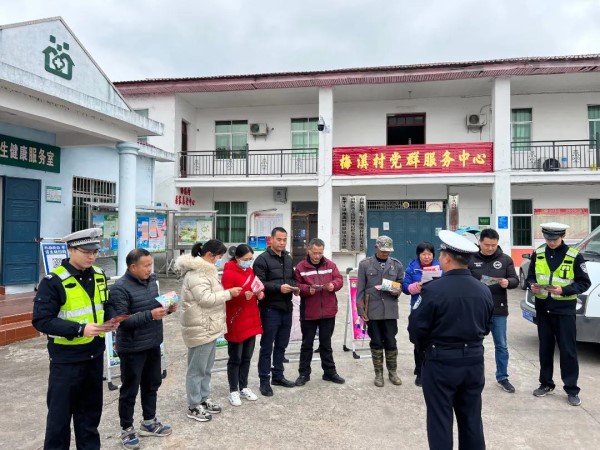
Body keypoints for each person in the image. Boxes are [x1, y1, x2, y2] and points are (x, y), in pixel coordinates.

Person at [32, 228, 117, 450]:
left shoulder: (98, 274)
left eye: (94, 252)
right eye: (86, 251)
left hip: (94, 356)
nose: (92, 256)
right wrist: (79, 329)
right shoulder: (53, 281)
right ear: (70, 250)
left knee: (90, 417)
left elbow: (106, 303)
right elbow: (42, 320)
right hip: (66, 361)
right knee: (59, 421)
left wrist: (112, 318)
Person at [408, 230, 494, 450]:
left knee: (440, 420)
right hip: (474, 361)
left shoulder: (433, 290)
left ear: (446, 258)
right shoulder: (484, 290)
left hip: (441, 362)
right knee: (472, 419)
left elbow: (415, 330)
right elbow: (486, 327)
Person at [106, 249, 175, 449]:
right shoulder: (120, 288)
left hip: (152, 342)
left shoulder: (151, 281)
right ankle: (127, 429)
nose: (149, 269)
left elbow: (154, 306)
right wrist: (150, 315)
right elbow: (122, 321)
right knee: (130, 390)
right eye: (146, 265)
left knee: (152, 384)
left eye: (150, 264)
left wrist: (168, 309)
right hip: (132, 348)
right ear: (133, 267)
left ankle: (149, 422)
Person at [176, 240, 243, 421]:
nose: (220, 260)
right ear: (210, 255)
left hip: (208, 325)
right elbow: (205, 299)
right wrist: (229, 293)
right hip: (200, 327)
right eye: (219, 257)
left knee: (206, 367)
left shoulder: (206, 270)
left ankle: (203, 398)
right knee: (196, 369)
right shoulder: (197, 273)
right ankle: (193, 405)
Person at [526, 222, 591, 406]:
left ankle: (571, 389)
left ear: (562, 236)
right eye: (548, 239)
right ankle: (546, 383)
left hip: (564, 310)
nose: (551, 242)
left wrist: (564, 290)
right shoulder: (538, 253)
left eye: (554, 239)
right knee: (545, 349)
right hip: (543, 309)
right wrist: (532, 285)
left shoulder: (574, 256)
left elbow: (584, 283)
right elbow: (530, 276)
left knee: (568, 350)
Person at [468, 228, 519, 394]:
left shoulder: (505, 260)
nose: (490, 248)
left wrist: (508, 282)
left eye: (493, 245)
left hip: (499, 309)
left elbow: (515, 280)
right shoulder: (470, 258)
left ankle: (502, 377)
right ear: (480, 243)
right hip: (476, 310)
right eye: (487, 245)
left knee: (501, 345)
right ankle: (473, 376)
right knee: (474, 344)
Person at [293, 238, 345, 386]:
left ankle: (329, 372)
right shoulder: (301, 267)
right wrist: (307, 289)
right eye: (314, 253)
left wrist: (333, 285)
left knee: (326, 344)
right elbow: (296, 285)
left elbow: (339, 279)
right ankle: (304, 374)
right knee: (307, 344)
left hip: (328, 311)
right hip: (309, 312)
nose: (317, 256)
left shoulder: (330, 265)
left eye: (320, 253)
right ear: (308, 250)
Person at [253, 227, 298, 396]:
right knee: (267, 346)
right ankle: (264, 380)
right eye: (279, 239)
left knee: (281, 345)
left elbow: (292, 279)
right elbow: (259, 284)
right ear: (271, 239)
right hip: (270, 309)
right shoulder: (261, 260)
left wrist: (295, 288)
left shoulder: (288, 258)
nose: (282, 242)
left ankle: (278, 376)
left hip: (287, 307)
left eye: (284, 239)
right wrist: (279, 288)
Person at [356, 235, 404, 387]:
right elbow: (360, 289)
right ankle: (378, 374)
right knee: (376, 341)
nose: (385, 253)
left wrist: (394, 289)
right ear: (376, 248)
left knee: (391, 341)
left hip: (390, 309)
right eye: (382, 250)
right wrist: (361, 310)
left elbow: (400, 285)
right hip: (373, 309)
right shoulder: (365, 264)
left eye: (388, 251)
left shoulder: (396, 265)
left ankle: (392, 372)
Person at [221, 244, 264, 407]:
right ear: (237, 258)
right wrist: (240, 296)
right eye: (246, 259)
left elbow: (256, 288)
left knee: (247, 357)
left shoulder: (250, 271)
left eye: (251, 259)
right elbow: (225, 296)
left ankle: (244, 386)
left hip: (251, 318)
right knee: (235, 358)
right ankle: (233, 390)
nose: (249, 262)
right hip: (236, 319)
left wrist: (260, 293)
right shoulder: (229, 273)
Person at [402, 241, 441, 387]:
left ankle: (433, 370)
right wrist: (417, 286)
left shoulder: (440, 267)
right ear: (418, 255)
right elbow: (405, 288)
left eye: (429, 254)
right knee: (419, 341)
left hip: (436, 308)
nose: (426, 257)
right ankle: (419, 372)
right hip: (418, 307)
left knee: (435, 340)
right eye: (423, 254)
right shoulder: (412, 269)